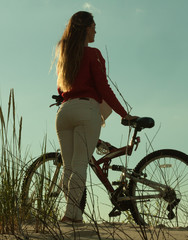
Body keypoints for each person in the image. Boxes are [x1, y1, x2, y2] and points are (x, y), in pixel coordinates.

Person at [54, 11, 137, 223]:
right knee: (80, 164)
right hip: (85, 110)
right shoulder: (93, 55)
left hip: (64, 112)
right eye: (94, 26)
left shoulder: (65, 56)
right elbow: (104, 88)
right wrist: (123, 113)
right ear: (86, 28)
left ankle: (72, 214)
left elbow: (61, 89)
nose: (96, 30)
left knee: (69, 166)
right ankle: (72, 216)